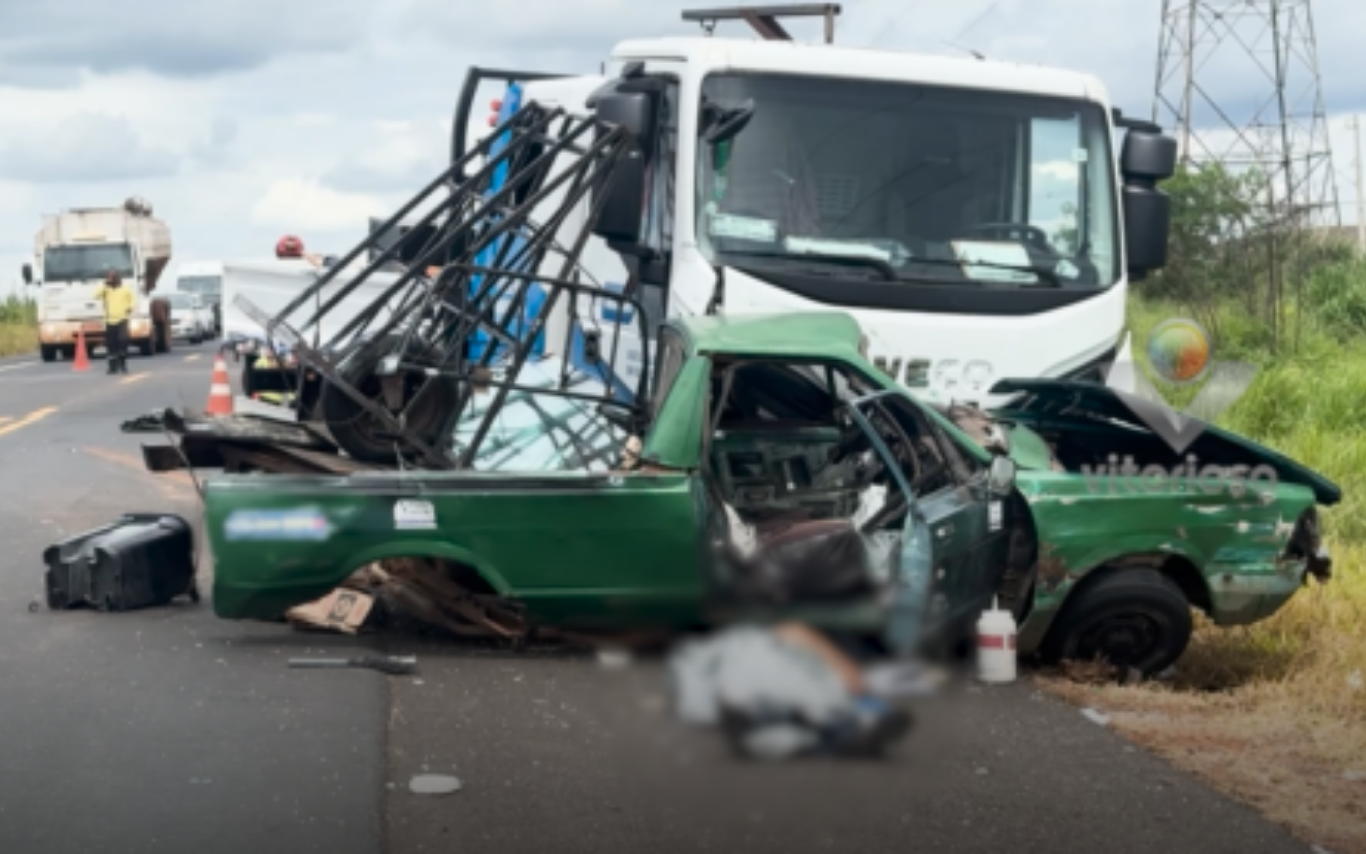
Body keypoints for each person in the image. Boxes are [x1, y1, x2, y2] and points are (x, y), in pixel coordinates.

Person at [93, 269, 135, 374]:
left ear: (118, 278)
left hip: (122, 319)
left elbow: (133, 300)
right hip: (110, 320)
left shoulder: (125, 289)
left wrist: (130, 307)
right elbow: (95, 296)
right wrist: (104, 286)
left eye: (113, 277)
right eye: (109, 277)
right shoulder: (106, 290)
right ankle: (112, 367)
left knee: (123, 340)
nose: (111, 279)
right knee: (111, 344)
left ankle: (123, 364)